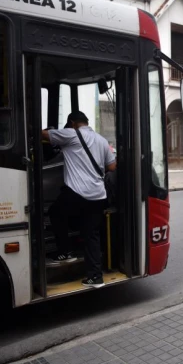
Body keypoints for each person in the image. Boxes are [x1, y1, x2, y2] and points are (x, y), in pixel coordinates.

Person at [42, 111, 117, 288]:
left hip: (77, 192)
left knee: (55, 213)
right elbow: (112, 166)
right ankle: (95, 277)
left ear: (72, 123)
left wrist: (48, 130)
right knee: (91, 234)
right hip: (98, 195)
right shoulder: (101, 140)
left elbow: (42, 135)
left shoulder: (70, 134)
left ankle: (65, 252)